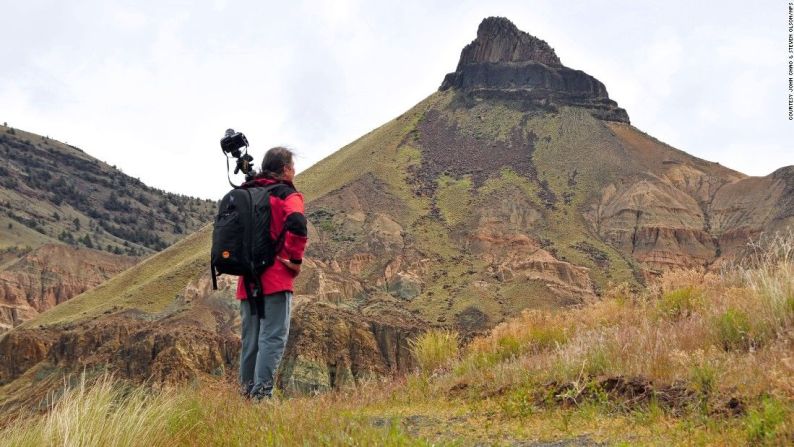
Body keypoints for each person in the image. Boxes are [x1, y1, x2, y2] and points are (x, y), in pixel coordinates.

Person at [236, 146, 307, 400]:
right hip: (276, 279)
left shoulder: (247, 192)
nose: (294, 171)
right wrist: (294, 259)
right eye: (293, 167)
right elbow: (297, 223)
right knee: (272, 339)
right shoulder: (288, 195)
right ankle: (262, 397)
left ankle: (245, 398)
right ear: (286, 169)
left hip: (247, 280)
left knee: (251, 341)